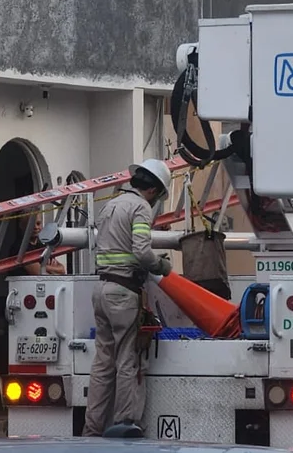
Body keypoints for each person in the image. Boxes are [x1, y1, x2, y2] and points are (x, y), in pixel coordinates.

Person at [82, 158, 174, 438]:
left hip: (101, 290)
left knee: (102, 363)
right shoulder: (140, 208)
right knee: (127, 360)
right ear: (154, 190)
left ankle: (92, 428)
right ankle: (123, 423)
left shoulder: (111, 205)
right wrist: (162, 266)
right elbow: (142, 252)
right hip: (124, 293)